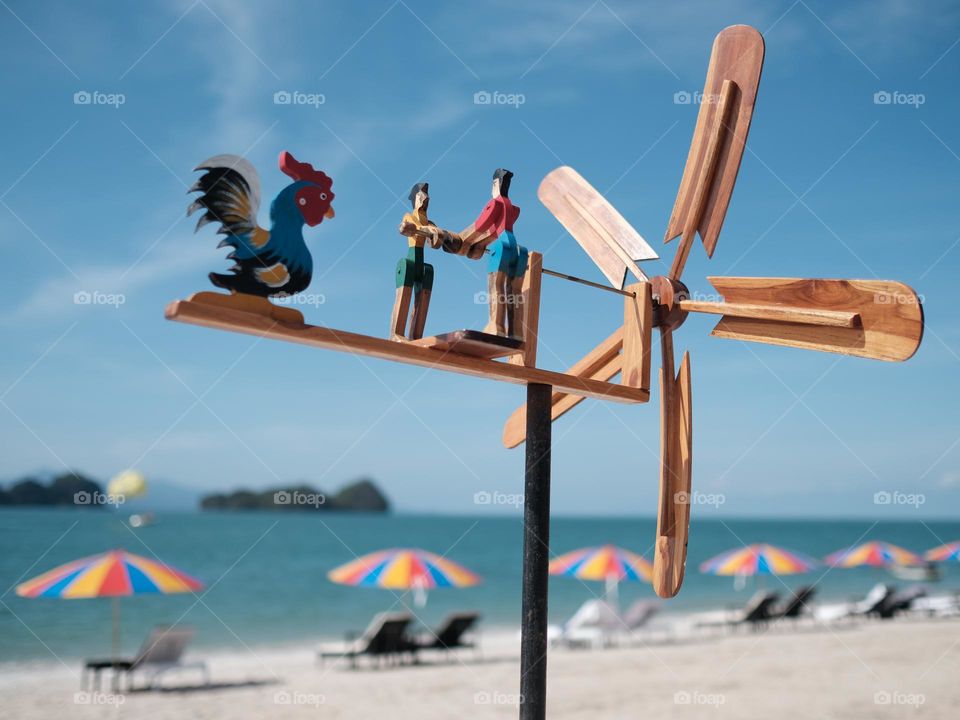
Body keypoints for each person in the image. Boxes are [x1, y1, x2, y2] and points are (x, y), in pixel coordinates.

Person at [459, 169, 528, 337]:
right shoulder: (514, 209)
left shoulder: (494, 203)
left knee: (496, 284)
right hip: (517, 248)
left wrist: (461, 240)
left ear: (496, 184)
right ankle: (516, 331)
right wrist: (480, 244)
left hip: (501, 246)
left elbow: (479, 226)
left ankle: (496, 326)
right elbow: (494, 230)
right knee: (515, 290)